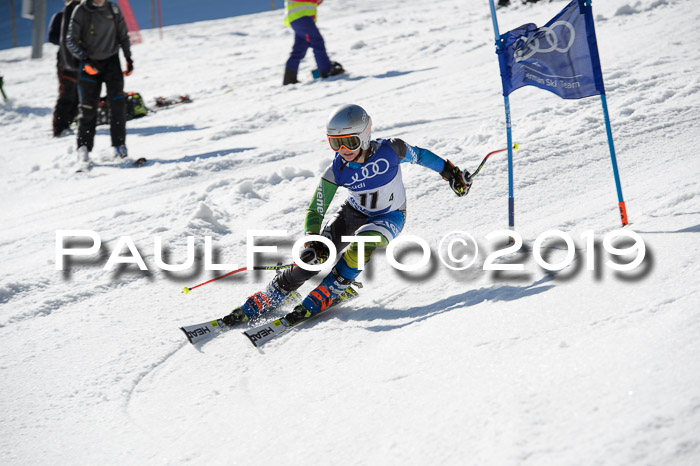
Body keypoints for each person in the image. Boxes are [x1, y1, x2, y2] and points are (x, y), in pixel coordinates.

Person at [222, 104, 472, 327]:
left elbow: (422, 156)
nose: (343, 150)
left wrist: (450, 173)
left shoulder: (391, 149)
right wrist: (312, 238)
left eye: (350, 143)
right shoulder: (338, 169)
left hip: (390, 216)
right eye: (335, 143)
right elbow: (317, 207)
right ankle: (276, 291)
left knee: (362, 244)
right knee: (313, 256)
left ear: (364, 137)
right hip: (353, 214)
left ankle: (334, 287)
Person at [66, 0, 134, 170]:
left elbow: (123, 35)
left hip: (112, 63)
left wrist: (128, 58)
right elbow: (70, 40)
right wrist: (85, 59)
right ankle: (84, 149)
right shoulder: (81, 10)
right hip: (90, 64)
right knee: (88, 109)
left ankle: (119, 146)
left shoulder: (112, 8)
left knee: (117, 105)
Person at [283, 0, 344, 85]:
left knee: (300, 48)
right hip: (301, 17)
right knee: (317, 41)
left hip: (299, 18)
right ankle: (326, 70)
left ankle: (289, 78)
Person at [48, 0, 81, 138]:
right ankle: (60, 128)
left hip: (82, 58)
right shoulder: (60, 16)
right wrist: (67, 41)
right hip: (65, 59)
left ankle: (73, 120)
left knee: (81, 93)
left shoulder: (84, 15)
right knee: (67, 92)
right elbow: (52, 37)